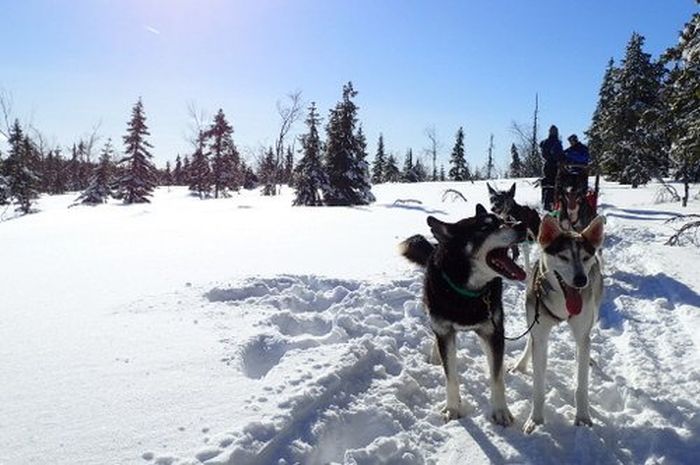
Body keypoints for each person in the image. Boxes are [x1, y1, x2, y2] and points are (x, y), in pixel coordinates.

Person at [539, 125, 564, 211]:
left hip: (547, 166)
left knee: (547, 185)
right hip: (555, 166)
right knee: (556, 185)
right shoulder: (557, 143)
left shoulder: (545, 142)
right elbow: (559, 155)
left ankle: (546, 204)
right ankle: (555, 204)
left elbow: (543, 152)